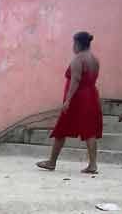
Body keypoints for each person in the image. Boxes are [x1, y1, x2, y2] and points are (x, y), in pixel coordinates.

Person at [37, 32, 103, 174]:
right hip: (91, 96)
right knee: (90, 130)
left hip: (78, 99)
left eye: (74, 43)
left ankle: (51, 162)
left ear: (78, 43)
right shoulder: (95, 59)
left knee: (62, 128)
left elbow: (75, 81)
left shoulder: (78, 59)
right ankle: (93, 165)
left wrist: (68, 99)